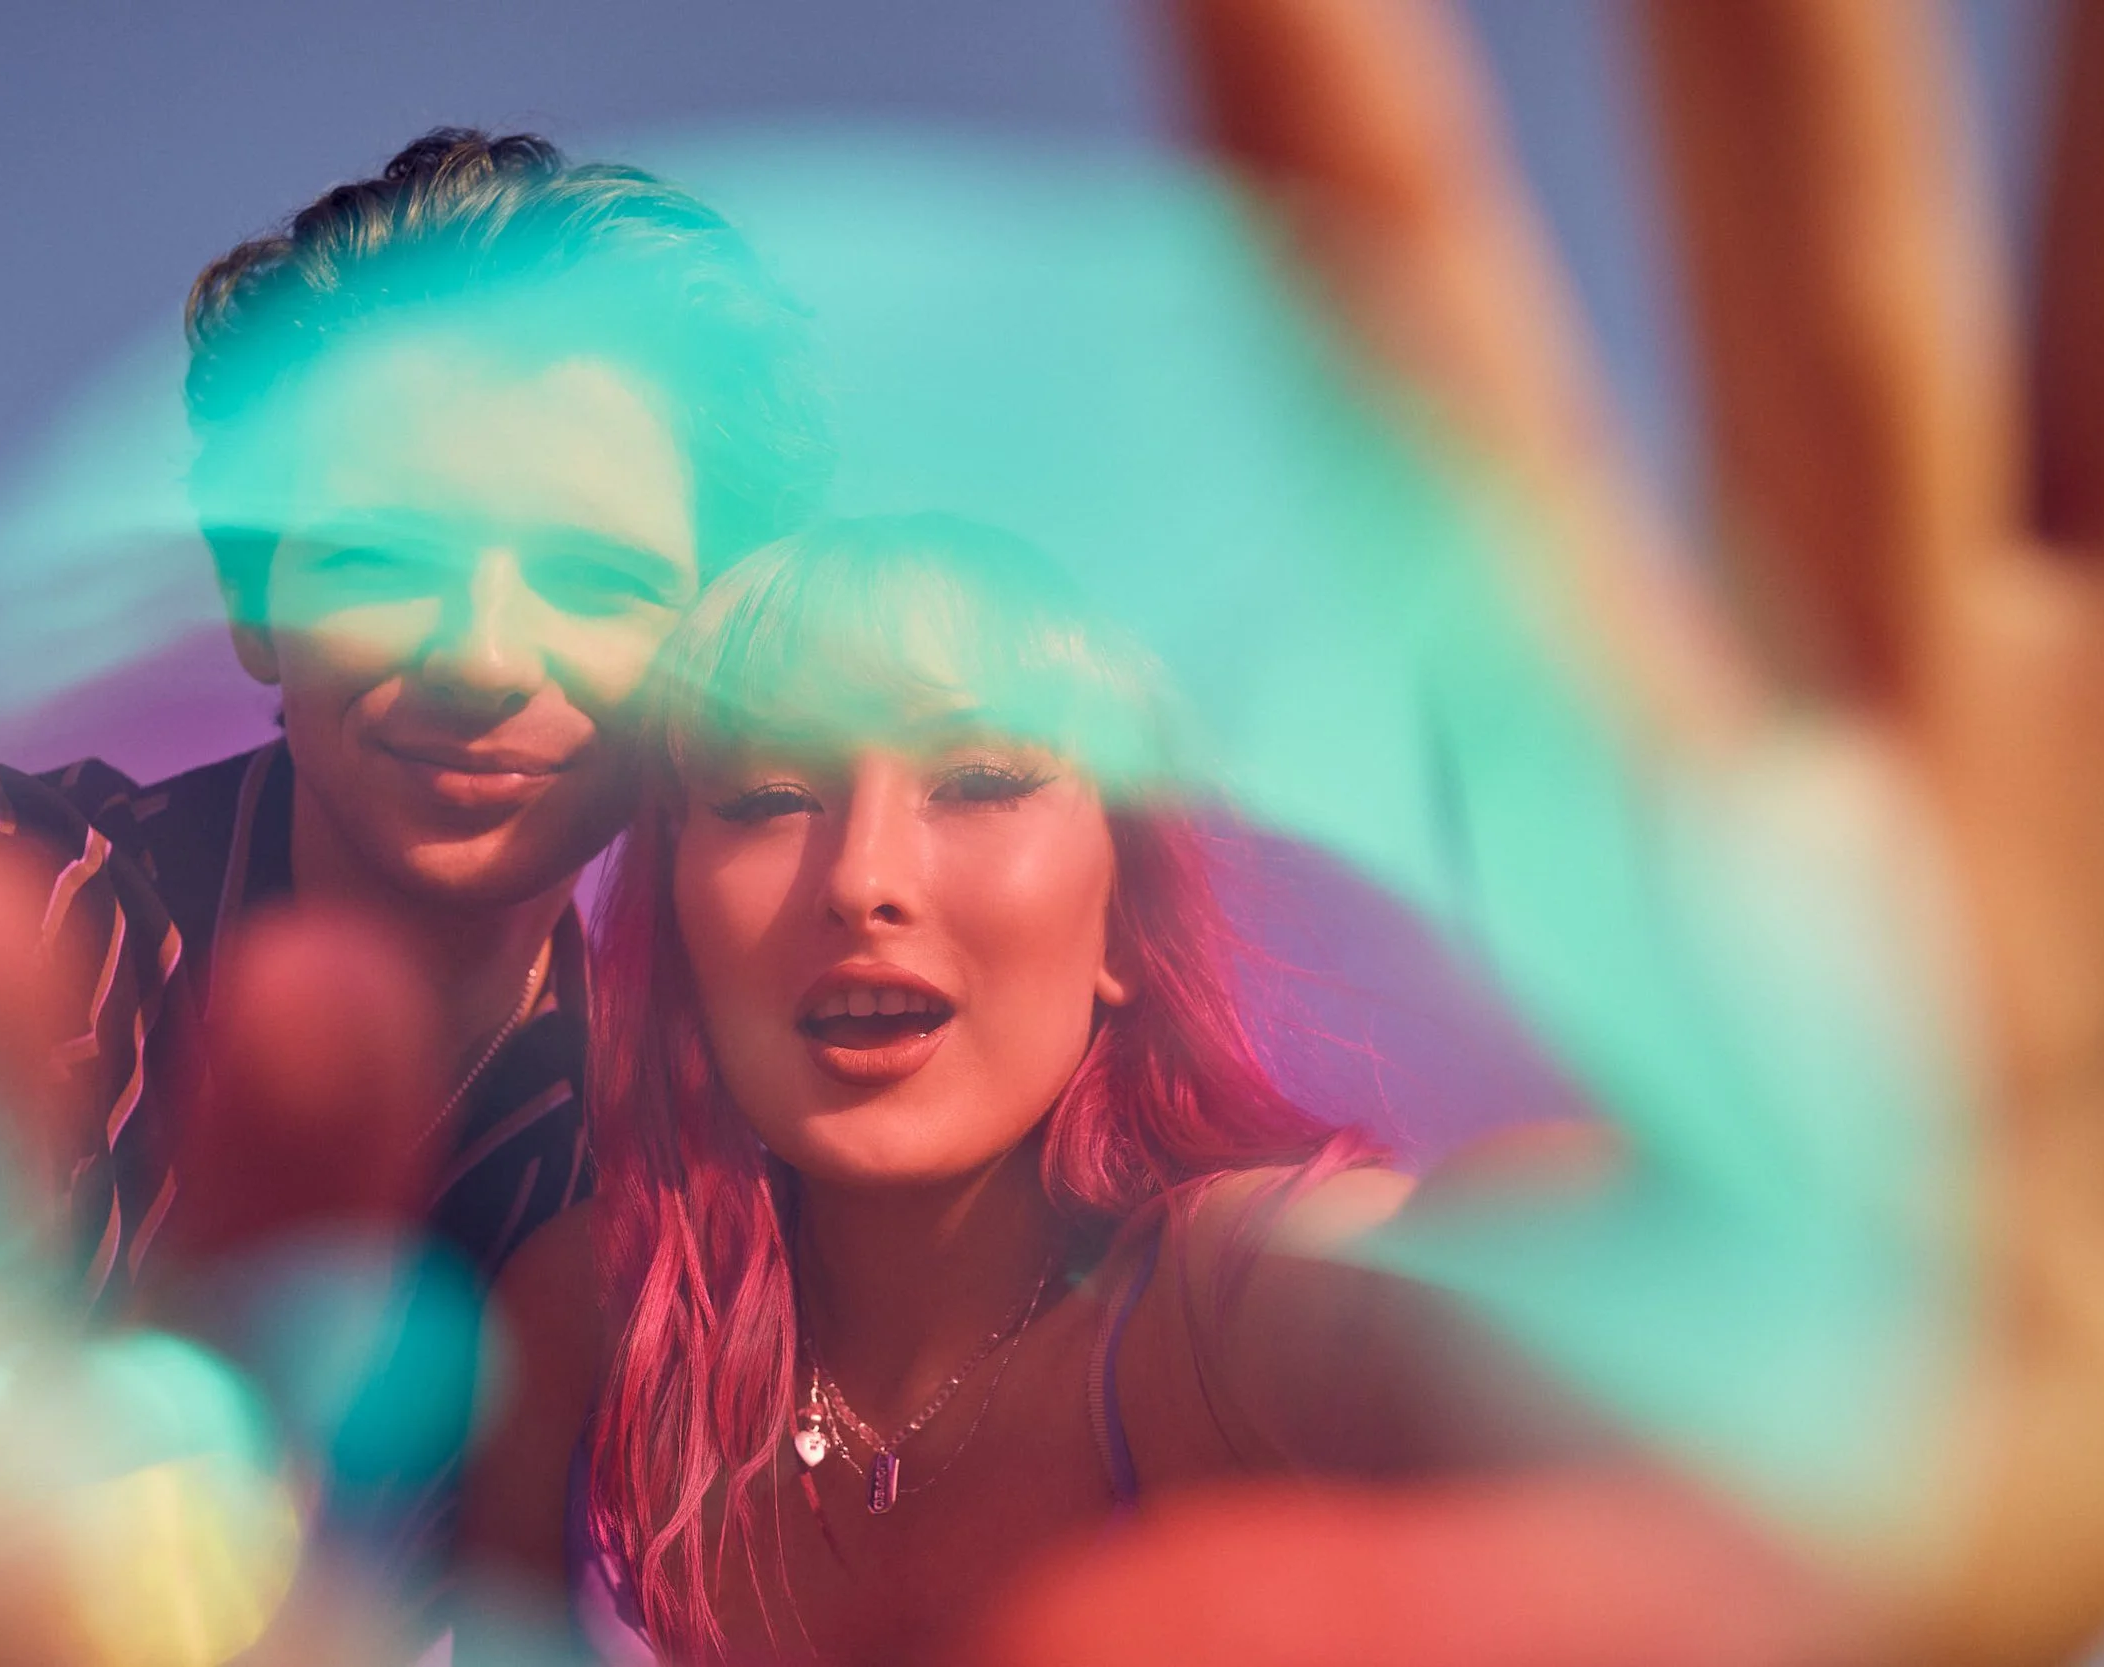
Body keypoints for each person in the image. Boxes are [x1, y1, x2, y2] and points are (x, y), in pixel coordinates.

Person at [0, 125, 832, 1574]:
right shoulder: (18, 903)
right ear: (254, 601)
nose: (484, 656)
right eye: (383, 556)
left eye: (593, 576)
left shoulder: (687, 1138)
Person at [457, 515, 1686, 1666]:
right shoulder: (584, 1330)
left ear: (1119, 914)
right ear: (677, 921)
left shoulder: (1223, 1304)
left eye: (981, 779)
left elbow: (1503, 1288)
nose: (862, 878)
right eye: (770, 796)